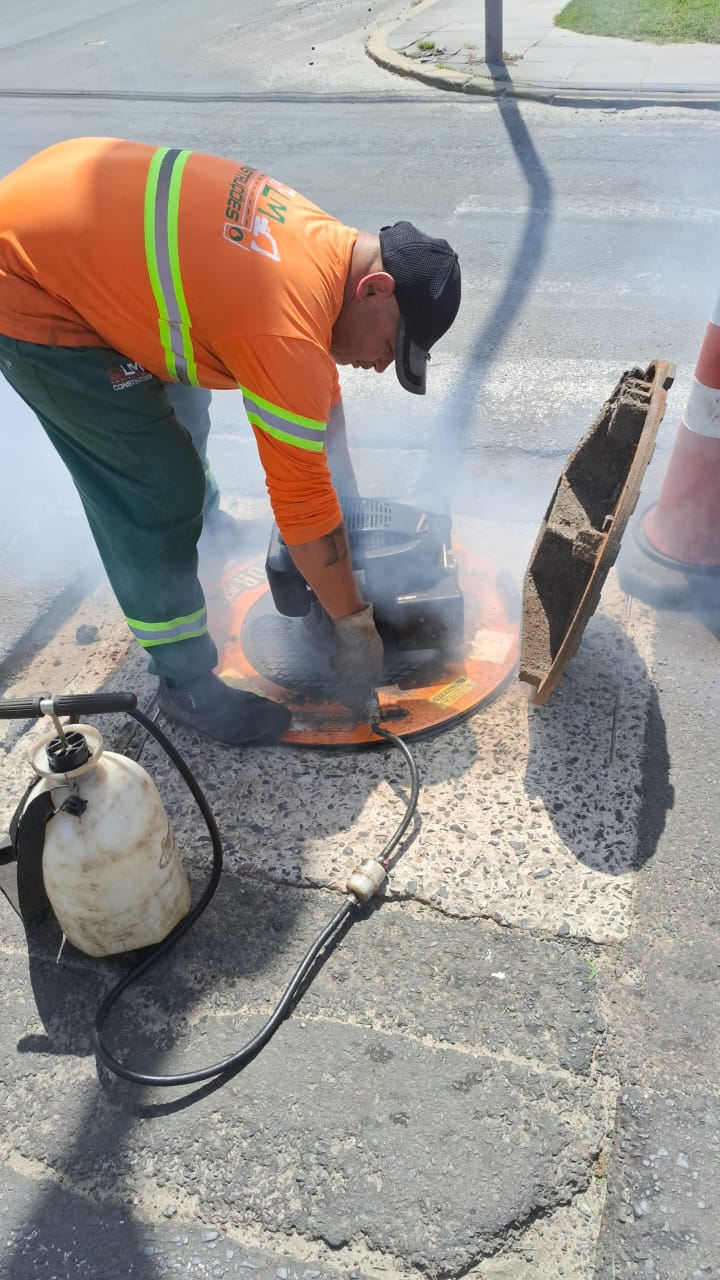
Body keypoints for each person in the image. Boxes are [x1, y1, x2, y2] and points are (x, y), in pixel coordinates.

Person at [0, 137, 461, 745]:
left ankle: (204, 533)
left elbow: (318, 408)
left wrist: (343, 508)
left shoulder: (322, 249)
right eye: (391, 347)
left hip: (69, 214)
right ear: (374, 289)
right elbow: (299, 505)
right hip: (29, 283)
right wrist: (352, 622)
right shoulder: (288, 323)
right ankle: (186, 683)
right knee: (155, 486)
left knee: (184, 405)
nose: (380, 365)